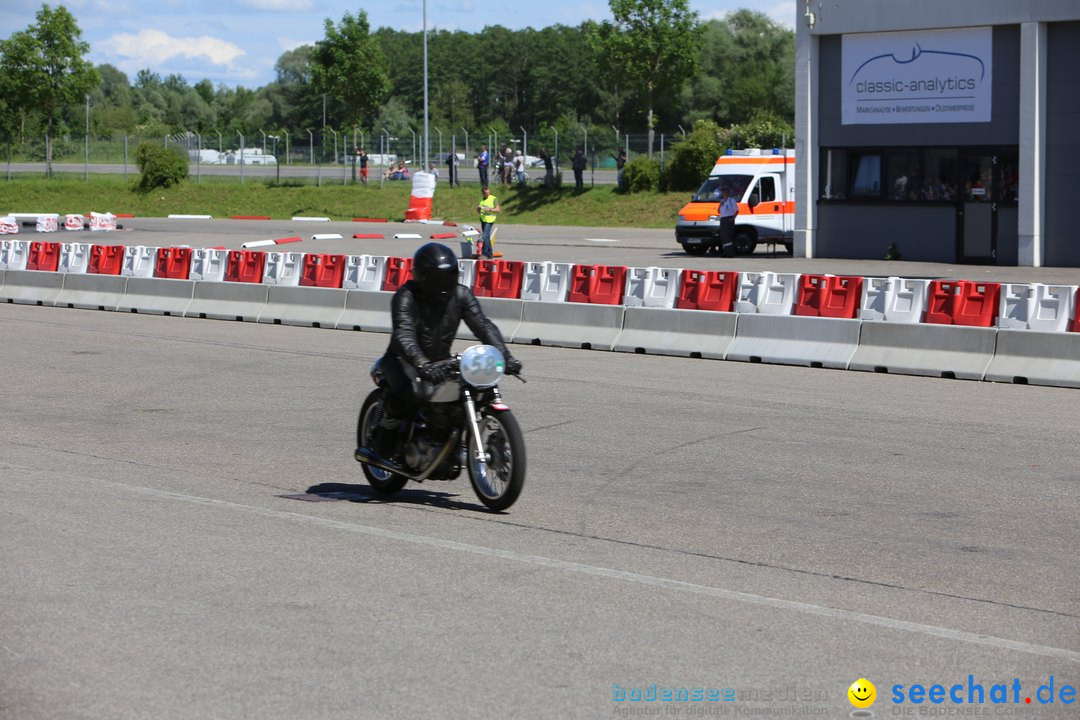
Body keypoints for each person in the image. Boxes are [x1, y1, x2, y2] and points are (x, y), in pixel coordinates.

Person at [355, 243, 523, 473]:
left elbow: (483, 325)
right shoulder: (406, 296)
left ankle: (445, 441)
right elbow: (404, 334)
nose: (444, 283)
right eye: (438, 278)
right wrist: (422, 364)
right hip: (401, 360)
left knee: (470, 390)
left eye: (449, 276)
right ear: (424, 277)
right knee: (411, 392)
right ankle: (380, 447)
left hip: (440, 361)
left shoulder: (461, 294)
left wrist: (505, 356)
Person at [477, 185, 500, 259]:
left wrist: (489, 209)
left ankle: (485, 254)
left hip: (490, 220)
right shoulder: (481, 199)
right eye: (485, 193)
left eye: (488, 193)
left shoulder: (493, 199)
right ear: (483, 193)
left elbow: (498, 210)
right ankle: (490, 254)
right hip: (483, 219)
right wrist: (478, 209)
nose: (487, 194)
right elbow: (479, 210)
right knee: (486, 237)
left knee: (484, 236)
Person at [718, 185, 738, 257]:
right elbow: (718, 211)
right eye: (723, 192)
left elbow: (736, 210)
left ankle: (730, 253)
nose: (724, 193)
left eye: (725, 191)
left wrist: (733, 218)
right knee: (723, 236)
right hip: (723, 219)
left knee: (728, 236)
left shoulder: (731, 200)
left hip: (728, 219)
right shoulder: (722, 201)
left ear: (728, 192)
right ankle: (725, 252)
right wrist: (720, 205)